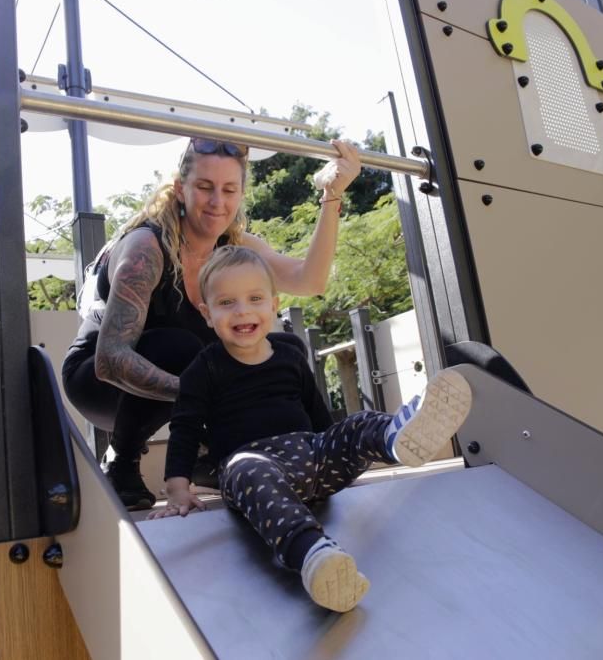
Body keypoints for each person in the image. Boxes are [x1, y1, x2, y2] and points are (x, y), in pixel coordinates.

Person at [149, 246, 473, 613]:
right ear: (207, 315)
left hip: (314, 456)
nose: (242, 310)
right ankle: (314, 557)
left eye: (255, 298)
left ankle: (398, 438)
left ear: (274, 304)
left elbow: (315, 408)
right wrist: (177, 488)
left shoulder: (289, 351)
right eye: (227, 302)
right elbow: (185, 427)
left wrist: (333, 443)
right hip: (257, 466)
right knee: (245, 471)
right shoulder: (204, 369)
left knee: (357, 423)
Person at [62, 136, 362, 510]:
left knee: (285, 348)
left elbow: (309, 280)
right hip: (98, 382)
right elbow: (111, 358)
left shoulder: (236, 249)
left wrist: (331, 197)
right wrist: (207, 395)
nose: (217, 202)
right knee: (180, 348)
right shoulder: (146, 248)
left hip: (184, 386)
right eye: (205, 187)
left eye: (229, 189)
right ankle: (121, 462)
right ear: (181, 190)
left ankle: (292, 455)